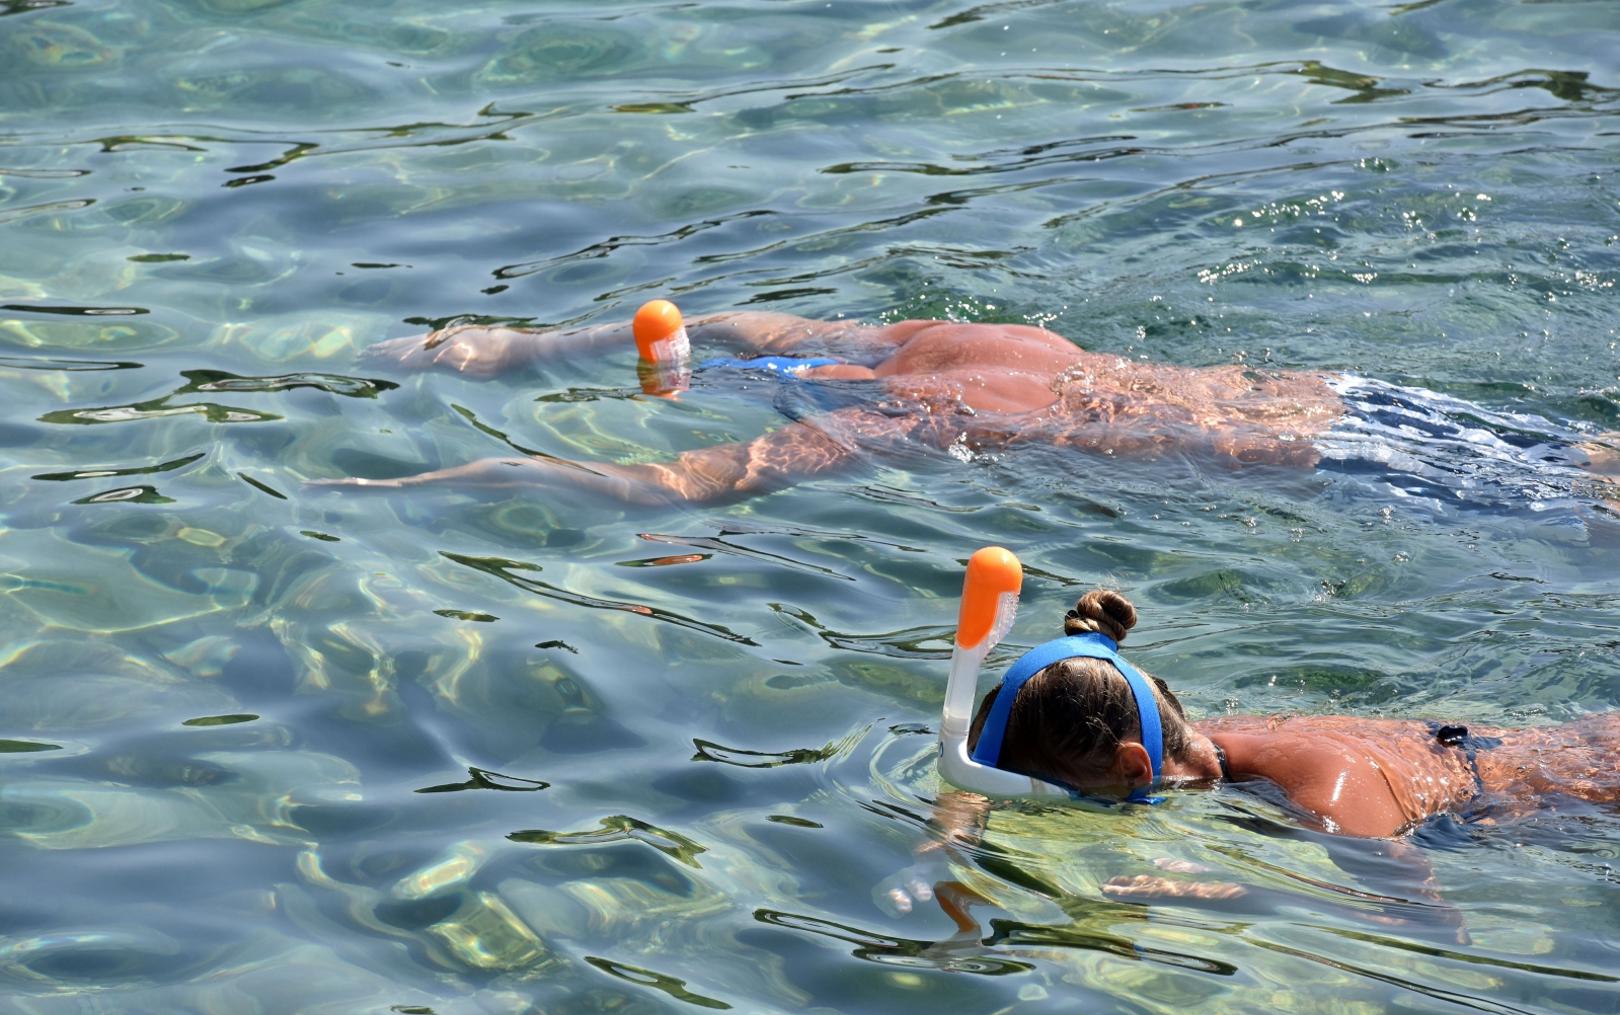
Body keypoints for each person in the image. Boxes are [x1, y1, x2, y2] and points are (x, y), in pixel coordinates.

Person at [322, 307, 1619, 511]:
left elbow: (670, 485)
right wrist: (512, 346)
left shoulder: (915, 422)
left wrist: (405, 489)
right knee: (1588, 465)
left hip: (1333, 469)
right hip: (1345, 398)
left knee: (1574, 506)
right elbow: (720, 322)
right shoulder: (953, 339)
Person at [959, 587, 1620, 840]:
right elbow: (976, 769)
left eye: (1065, 795)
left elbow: (1424, 917)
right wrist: (952, 826)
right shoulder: (1213, 747)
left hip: (1586, 793)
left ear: (1135, 766)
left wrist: (1233, 895)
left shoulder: (1326, 798)